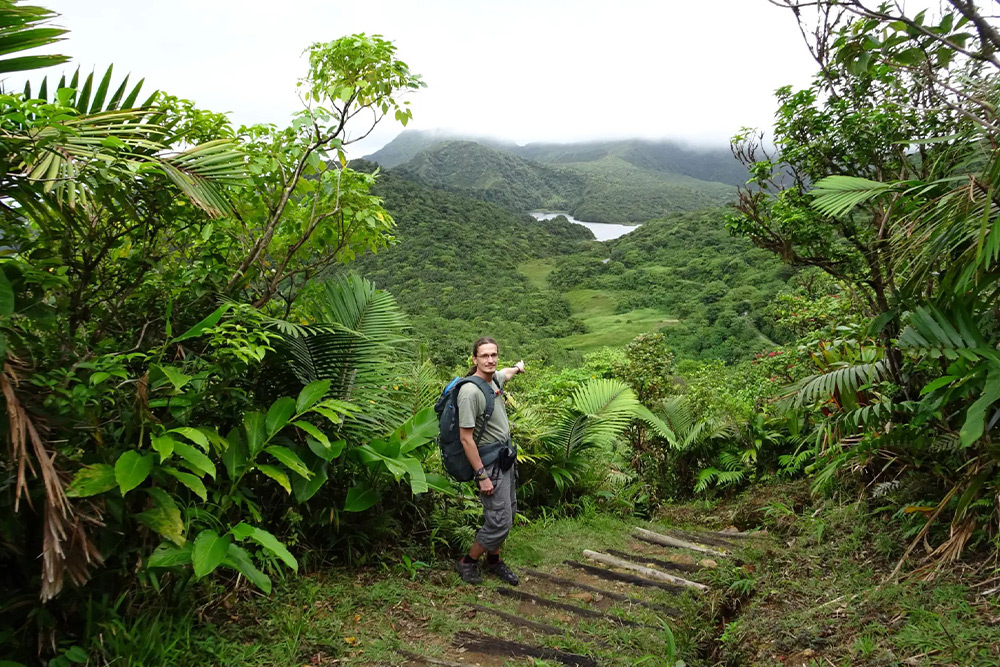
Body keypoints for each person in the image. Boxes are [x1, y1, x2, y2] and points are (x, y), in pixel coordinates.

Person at [454, 336, 524, 585]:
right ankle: (468, 562)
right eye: (484, 355)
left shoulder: (493, 379)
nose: (490, 359)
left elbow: (505, 373)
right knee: (499, 520)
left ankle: (493, 560)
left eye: (494, 354)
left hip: (504, 458)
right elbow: (465, 439)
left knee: (509, 513)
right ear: (474, 359)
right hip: (489, 464)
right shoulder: (470, 392)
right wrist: (481, 475)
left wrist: (518, 367)